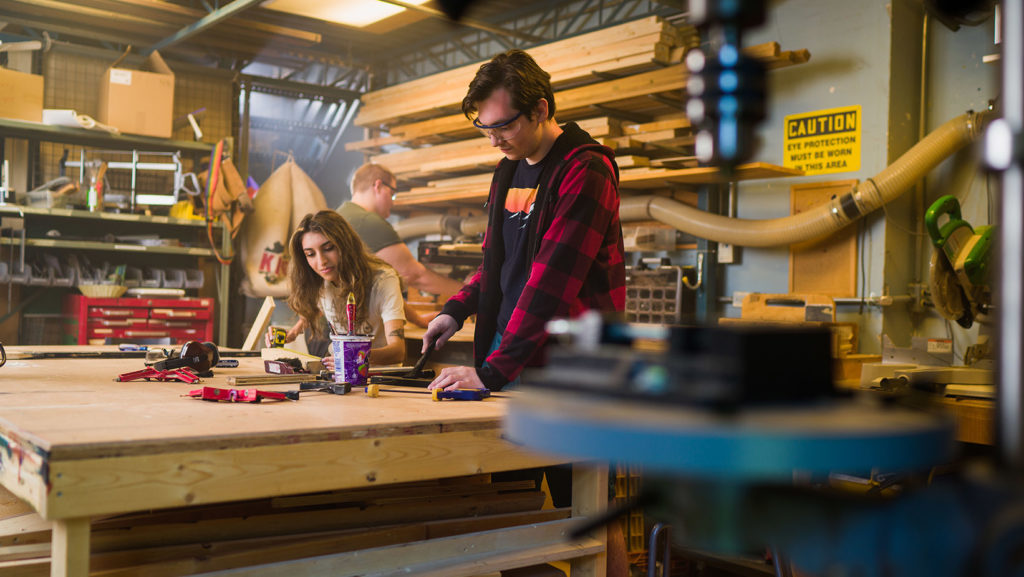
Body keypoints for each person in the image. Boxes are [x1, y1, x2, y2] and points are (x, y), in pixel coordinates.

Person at [420, 49, 628, 575]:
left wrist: (490, 370)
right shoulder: (509, 169)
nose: (493, 138)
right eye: (483, 128)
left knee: (586, 513)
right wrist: (457, 310)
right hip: (519, 365)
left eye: (502, 125)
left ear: (540, 109)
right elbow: (499, 261)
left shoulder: (586, 170)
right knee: (511, 505)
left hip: (574, 372)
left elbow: (550, 285)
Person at [339, 163, 464, 327]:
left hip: (334, 328)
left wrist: (416, 319)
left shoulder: (341, 215)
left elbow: (383, 285)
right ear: (378, 186)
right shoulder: (367, 222)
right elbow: (414, 275)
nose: (393, 203)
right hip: (343, 330)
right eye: (392, 194)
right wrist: (469, 292)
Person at [281, 210, 406, 368]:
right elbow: (317, 310)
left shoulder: (383, 280)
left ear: (346, 245)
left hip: (377, 380)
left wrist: (355, 357)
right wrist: (291, 333)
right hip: (337, 375)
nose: (321, 262)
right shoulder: (320, 279)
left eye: (328, 248)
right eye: (310, 254)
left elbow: (398, 351)